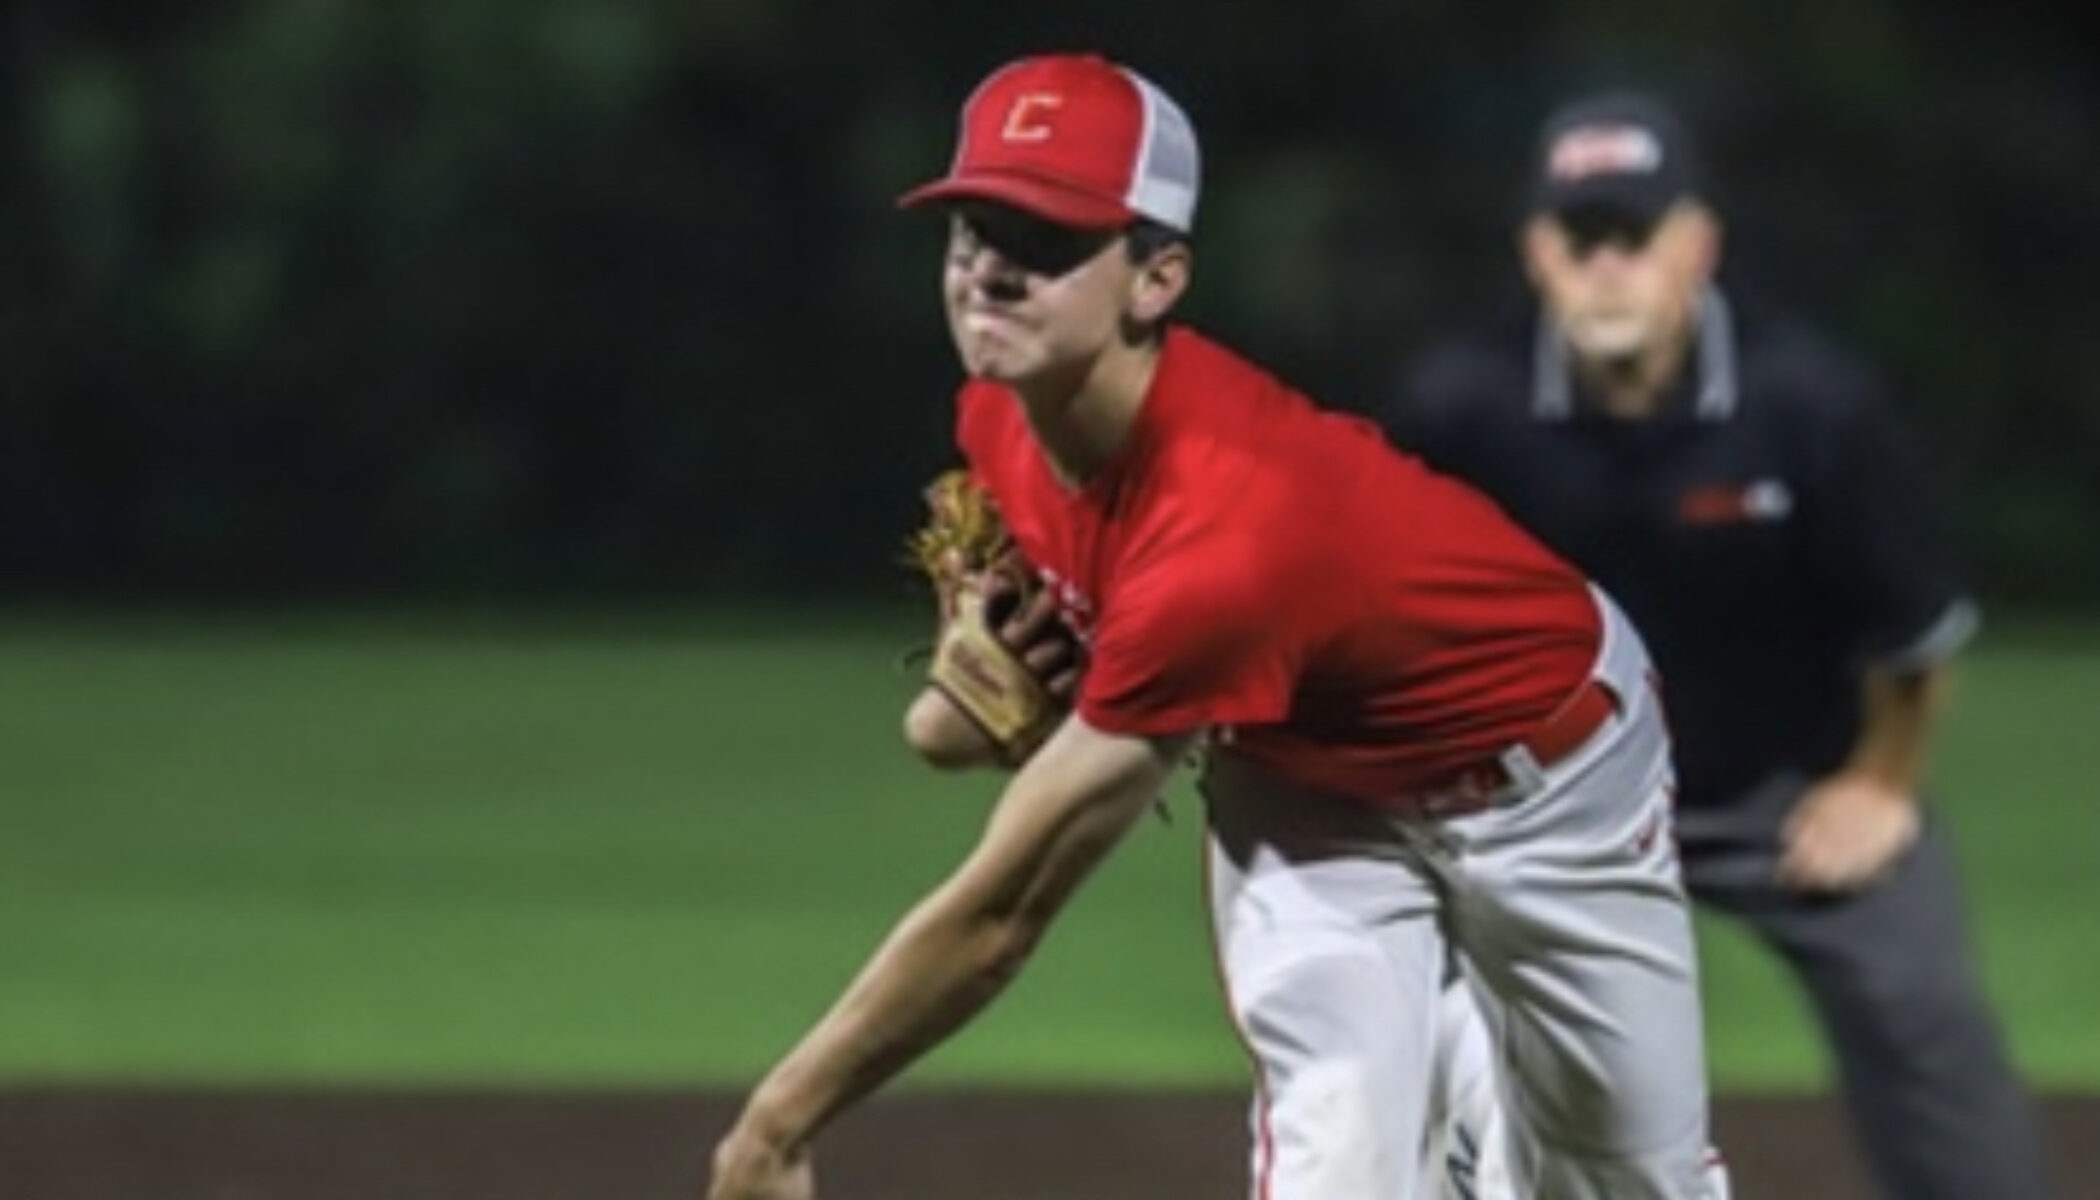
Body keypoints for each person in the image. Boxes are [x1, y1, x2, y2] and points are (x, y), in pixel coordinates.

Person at [706, 54, 1727, 1200]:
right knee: (1336, 1161)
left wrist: (776, 1127)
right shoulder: (998, 414)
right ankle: (1449, 1054)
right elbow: (965, 722)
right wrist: (955, 701)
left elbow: (1003, 913)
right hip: (1306, 781)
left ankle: (1476, 1062)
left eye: (1045, 240)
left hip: (1551, 767)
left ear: (1156, 280)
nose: (991, 271)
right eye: (972, 229)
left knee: (1621, 1182)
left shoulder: (1227, 542)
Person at [1382, 88, 2059, 1200]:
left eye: (1635, 235)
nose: (1609, 267)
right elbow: (1396, 625)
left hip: (1776, 789)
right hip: (1538, 799)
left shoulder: (1812, 406)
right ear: (1537, 253)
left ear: (1696, 248)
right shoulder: (1462, 409)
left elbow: (1915, 636)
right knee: (1389, 978)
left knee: (1923, 1010)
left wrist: (1879, 785)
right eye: (1581, 237)